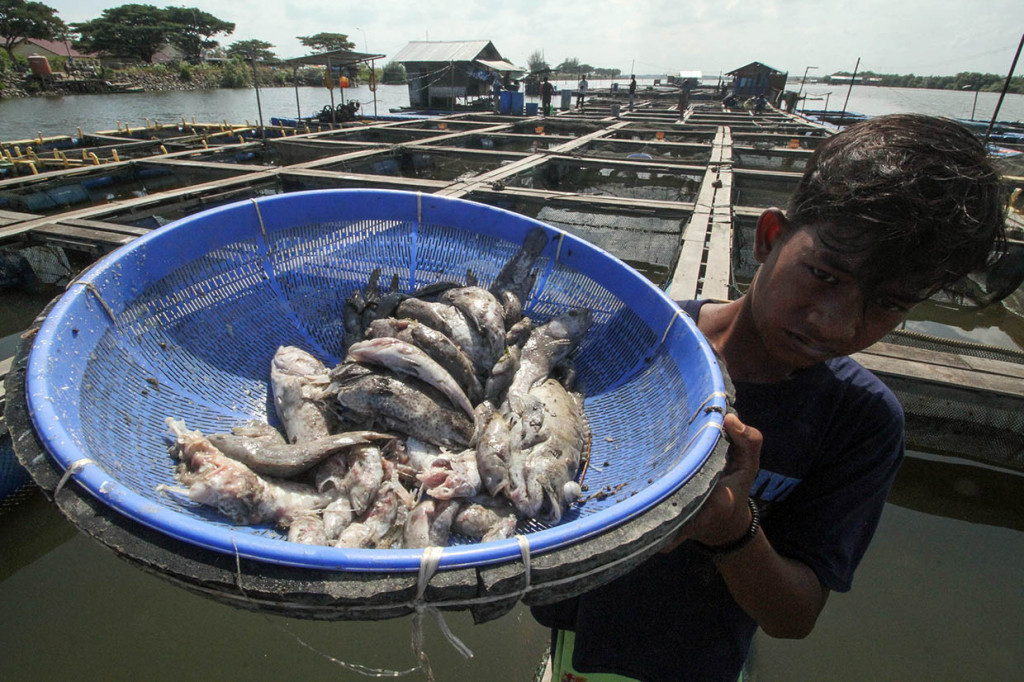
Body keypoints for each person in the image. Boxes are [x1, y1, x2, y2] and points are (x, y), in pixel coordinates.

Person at [532, 114, 1006, 682]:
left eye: (887, 304)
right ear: (769, 238)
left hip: (699, 665)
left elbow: (794, 616)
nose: (835, 324)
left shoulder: (863, 422)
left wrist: (730, 526)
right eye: (824, 275)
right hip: (576, 643)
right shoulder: (628, 343)